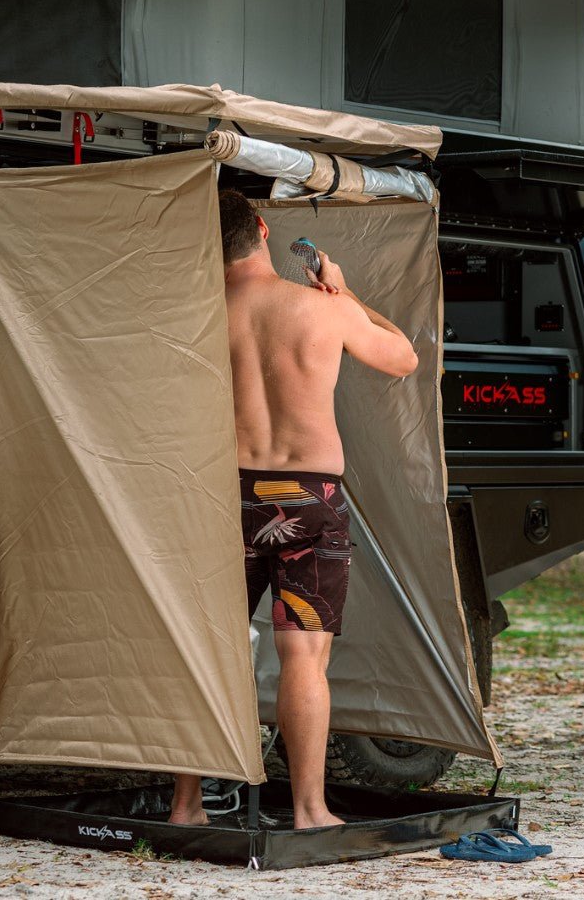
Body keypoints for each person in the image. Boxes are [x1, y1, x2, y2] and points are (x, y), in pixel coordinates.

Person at [169, 190, 418, 830]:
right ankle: (309, 810)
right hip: (309, 501)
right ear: (260, 227)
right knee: (303, 659)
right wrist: (344, 293)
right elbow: (404, 360)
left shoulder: (197, 314)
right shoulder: (320, 309)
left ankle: (186, 806)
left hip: (226, 497)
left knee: (209, 649)